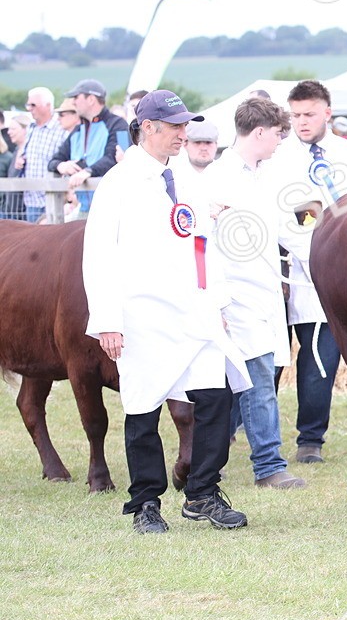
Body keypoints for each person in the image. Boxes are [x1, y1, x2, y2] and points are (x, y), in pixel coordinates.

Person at [82, 89, 252, 533]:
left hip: (194, 312)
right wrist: (107, 322)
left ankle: (202, 492)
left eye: (185, 126)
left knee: (216, 397)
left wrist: (217, 300)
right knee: (143, 409)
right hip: (141, 316)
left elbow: (203, 244)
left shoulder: (189, 179)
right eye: (175, 127)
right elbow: (98, 255)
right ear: (149, 128)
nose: (183, 134)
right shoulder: (119, 184)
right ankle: (145, 502)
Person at [264, 79, 347, 464]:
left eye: (309, 114)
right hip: (309, 272)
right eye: (295, 115)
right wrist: (321, 257)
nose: (301, 122)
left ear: (326, 112)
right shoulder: (278, 159)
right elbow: (281, 221)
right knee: (318, 361)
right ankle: (310, 439)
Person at [205, 96, 306, 490]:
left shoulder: (266, 177)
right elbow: (208, 243)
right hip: (233, 296)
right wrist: (216, 299)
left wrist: (331, 258)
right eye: (279, 134)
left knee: (243, 381)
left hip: (265, 294)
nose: (281, 142)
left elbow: (291, 233)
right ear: (259, 132)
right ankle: (269, 466)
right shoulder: (216, 178)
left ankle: (201, 459)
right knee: (258, 377)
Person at [48, 78, 130, 216]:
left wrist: (88, 171)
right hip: (84, 208)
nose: (73, 102)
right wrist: (61, 165)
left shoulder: (119, 125)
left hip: (112, 209)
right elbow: (54, 160)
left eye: (76, 97)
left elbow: (119, 159)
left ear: (91, 99)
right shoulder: (78, 130)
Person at [19, 88, 67, 224]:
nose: (29, 109)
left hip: (53, 199)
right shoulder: (31, 128)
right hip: (31, 200)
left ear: (48, 105)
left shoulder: (60, 129)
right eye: (28, 105)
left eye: (33, 105)